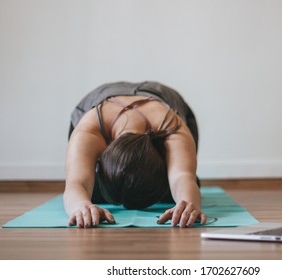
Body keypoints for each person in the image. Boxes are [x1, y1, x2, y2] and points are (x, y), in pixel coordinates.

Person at [63, 81, 206, 228]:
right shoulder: (89, 130)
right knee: (90, 194)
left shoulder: (171, 127)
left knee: (181, 193)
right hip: (97, 101)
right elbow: (75, 183)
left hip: (169, 103)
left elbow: (182, 176)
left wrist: (189, 203)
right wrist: (81, 206)